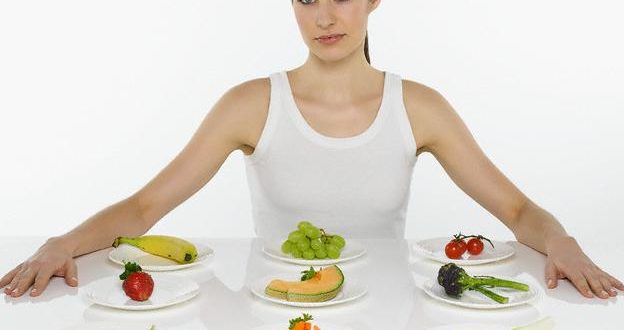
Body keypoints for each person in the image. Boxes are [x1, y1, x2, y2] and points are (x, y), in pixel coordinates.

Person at [2, 0, 622, 300]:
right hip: (275, 313)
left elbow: (517, 214)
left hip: (386, 316)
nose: (325, 15)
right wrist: (61, 243)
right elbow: (142, 211)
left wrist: (564, 243)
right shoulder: (250, 104)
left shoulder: (419, 106)